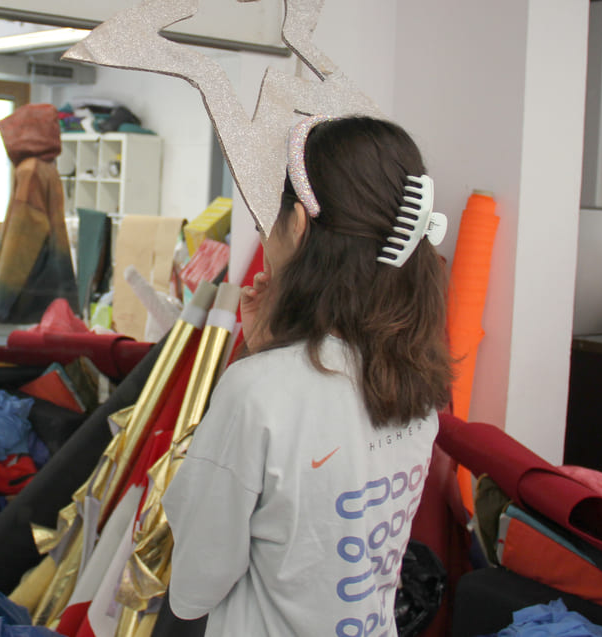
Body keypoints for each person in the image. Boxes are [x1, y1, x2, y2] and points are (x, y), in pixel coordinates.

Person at [161, 116, 453, 636]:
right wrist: (272, 348)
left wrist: (259, 360)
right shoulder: (416, 378)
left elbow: (195, 587)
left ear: (297, 224)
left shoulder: (258, 393)